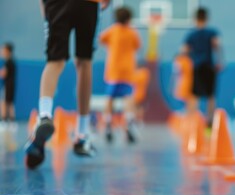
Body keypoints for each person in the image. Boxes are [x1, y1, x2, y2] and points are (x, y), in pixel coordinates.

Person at [25, 0, 111, 169]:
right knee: (84, 63)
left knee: (55, 61)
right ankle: (82, 133)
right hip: (88, 4)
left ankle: (44, 115)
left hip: (56, 3)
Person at [99, 7, 141, 143]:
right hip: (128, 71)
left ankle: (108, 124)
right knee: (128, 98)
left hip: (113, 71)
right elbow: (138, 46)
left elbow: (101, 39)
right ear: (128, 19)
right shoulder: (132, 32)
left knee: (110, 98)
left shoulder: (112, 30)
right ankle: (128, 123)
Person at [182, 7, 222, 127]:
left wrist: (192, 56)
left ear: (195, 19)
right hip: (209, 66)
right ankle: (209, 122)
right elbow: (217, 45)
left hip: (197, 67)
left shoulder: (191, 35)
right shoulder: (212, 32)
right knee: (210, 95)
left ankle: (193, 121)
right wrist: (219, 61)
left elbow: (184, 50)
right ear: (207, 18)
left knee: (195, 95)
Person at [0, 43, 17, 125]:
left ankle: (3, 120)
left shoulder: (8, 62)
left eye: (3, 50)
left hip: (8, 86)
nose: (2, 51)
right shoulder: (12, 61)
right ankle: (12, 121)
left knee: (4, 102)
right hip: (11, 86)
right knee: (10, 103)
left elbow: (3, 74)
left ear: (7, 51)